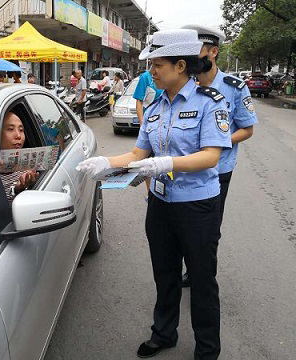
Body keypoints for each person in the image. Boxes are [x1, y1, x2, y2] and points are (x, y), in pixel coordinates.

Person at [77, 29, 231, 359]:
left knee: (202, 280)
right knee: (164, 273)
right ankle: (164, 333)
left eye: (156, 64)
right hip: (160, 205)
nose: (151, 72)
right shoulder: (156, 107)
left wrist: (165, 163)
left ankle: (207, 348)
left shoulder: (209, 103)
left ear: (180, 65)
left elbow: (211, 155)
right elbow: (137, 155)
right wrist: (105, 161)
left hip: (198, 206)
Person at [180, 25, 258, 287]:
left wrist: (216, 142)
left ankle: (203, 276)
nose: (193, 58)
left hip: (218, 169)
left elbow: (246, 130)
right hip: (185, 166)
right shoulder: (186, 85)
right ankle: (192, 268)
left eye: (198, 51)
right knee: (184, 225)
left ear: (213, 52)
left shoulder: (234, 87)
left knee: (209, 228)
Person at [0, 112, 38, 203]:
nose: (18, 136)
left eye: (21, 130)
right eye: (10, 129)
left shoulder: (29, 167)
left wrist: (20, 188)